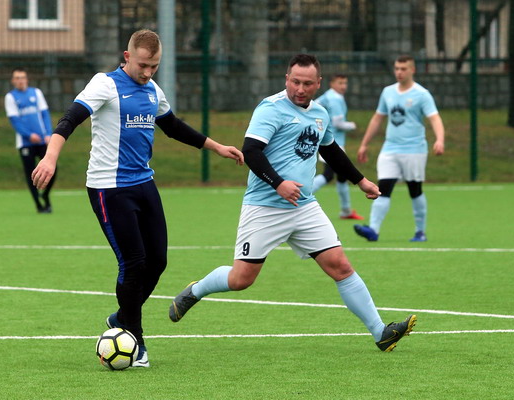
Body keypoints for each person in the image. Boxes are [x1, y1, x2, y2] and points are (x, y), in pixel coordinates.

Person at [169, 54, 417, 353]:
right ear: (286, 79)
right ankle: (196, 290)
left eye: (307, 83)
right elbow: (251, 151)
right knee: (241, 279)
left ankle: (380, 332)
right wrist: (279, 183)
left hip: (304, 206)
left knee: (340, 266)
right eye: (295, 82)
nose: (300, 89)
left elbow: (331, 150)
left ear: (318, 83)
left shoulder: (320, 113)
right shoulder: (270, 108)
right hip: (264, 207)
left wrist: (360, 181)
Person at [31, 29, 244, 367]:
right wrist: (50, 157)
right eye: (143, 65)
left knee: (157, 261)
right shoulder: (105, 84)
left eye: (154, 66)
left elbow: (172, 126)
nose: (148, 72)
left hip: (144, 183)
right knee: (132, 262)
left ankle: (121, 317)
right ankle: (135, 338)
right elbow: (69, 120)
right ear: (127, 56)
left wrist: (216, 147)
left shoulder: (153, 90)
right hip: (108, 187)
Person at [353, 55, 445, 242]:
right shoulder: (387, 92)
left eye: (403, 69)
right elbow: (377, 118)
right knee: (383, 188)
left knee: (415, 189)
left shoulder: (422, 94)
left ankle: (420, 231)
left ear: (413, 70)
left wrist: (440, 139)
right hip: (390, 149)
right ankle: (373, 230)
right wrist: (364, 144)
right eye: (396, 68)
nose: (399, 72)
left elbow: (434, 118)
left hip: (414, 149)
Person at [5, 68, 56, 213]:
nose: (20, 80)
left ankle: (45, 195)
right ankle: (39, 204)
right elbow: (15, 121)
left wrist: (48, 134)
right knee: (31, 174)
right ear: (13, 81)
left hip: (42, 141)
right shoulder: (11, 97)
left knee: (52, 170)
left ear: (27, 79)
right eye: (17, 78)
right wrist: (28, 135)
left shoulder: (36, 93)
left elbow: (45, 114)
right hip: (26, 143)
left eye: (22, 77)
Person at [313, 74, 363, 220]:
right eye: (340, 83)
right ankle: (300, 195)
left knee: (341, 177)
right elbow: (337, 123)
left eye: (345, 83)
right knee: (328, 175)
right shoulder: (335, 99)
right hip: (332, 143)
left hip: (326, 140)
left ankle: (346, 211)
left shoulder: (327, 96)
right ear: (332, 83)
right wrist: (352, 125)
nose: (343, 86)